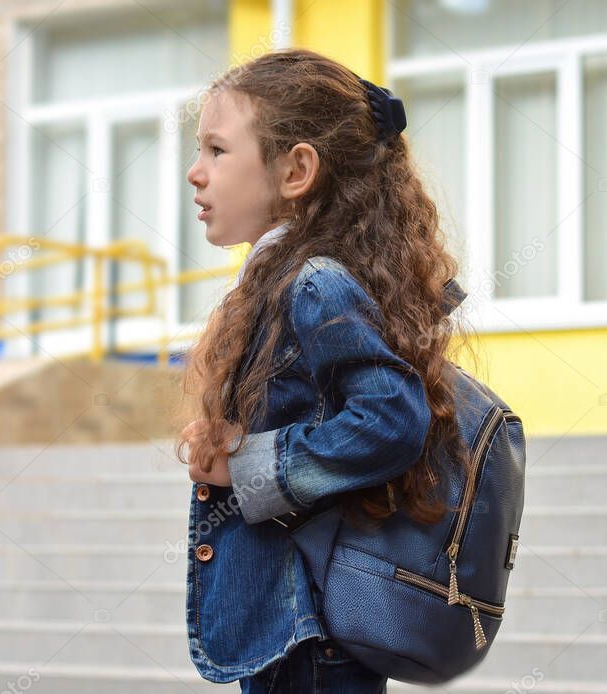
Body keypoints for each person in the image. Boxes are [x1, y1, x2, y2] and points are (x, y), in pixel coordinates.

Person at [174, 47, 476, 693]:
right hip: (297, 626)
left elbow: (390, 420)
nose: (195, 173)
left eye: (217, 150)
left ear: (296, 169)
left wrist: (250, 464)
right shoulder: (281, 281)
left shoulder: (314, 284)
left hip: (310, 633)